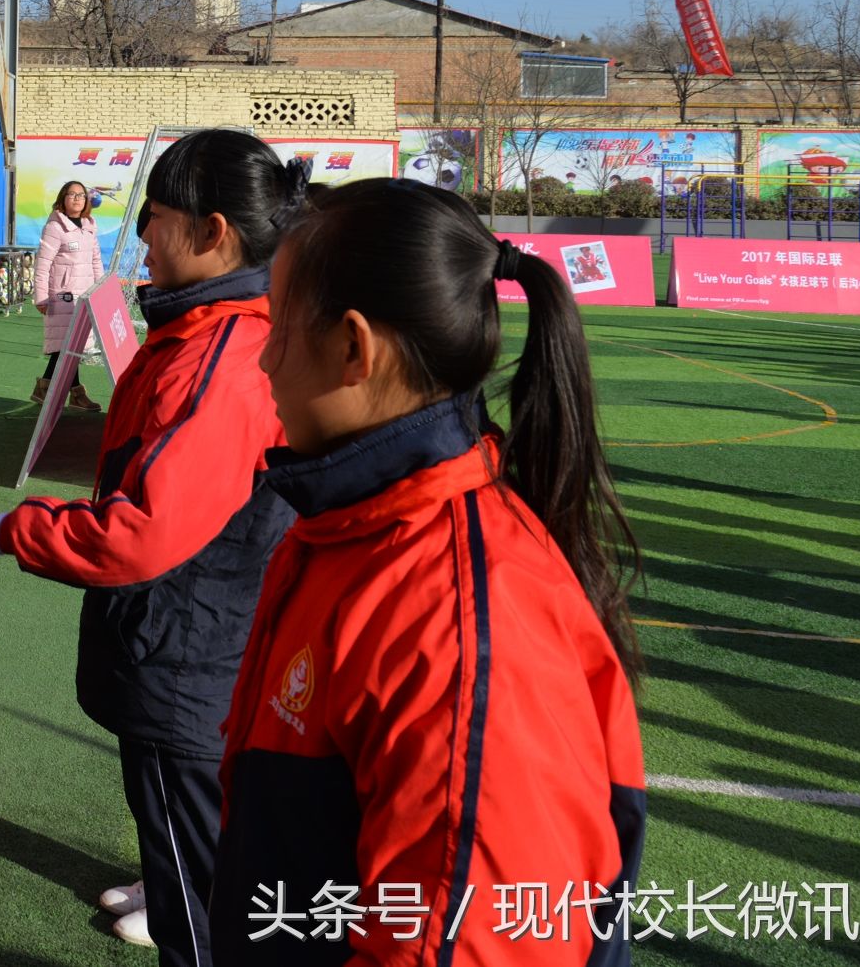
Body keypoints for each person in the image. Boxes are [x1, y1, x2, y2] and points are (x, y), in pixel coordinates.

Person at [208, 180, 645, 963]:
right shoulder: (350, 524)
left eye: (274, 328)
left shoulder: (453, 618)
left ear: (353, 347)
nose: (264, 359)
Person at [0, 131, 308, 965]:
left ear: (211, 231)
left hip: (192, 638)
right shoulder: (211, 324)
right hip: (184, 632)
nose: (141, 232)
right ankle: (169, 871)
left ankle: (188, 890)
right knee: (174, 802)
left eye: (156, 215)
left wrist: (6, 531)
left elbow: (143, 531)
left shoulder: (223, 350)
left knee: (196, 868)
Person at [32, 180, 105, 414]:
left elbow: (96, 262)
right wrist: (41, 297)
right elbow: (42, 265)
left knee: (73, 347)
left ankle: (56, 390)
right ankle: (65, 392)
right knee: (65, 346)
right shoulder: (55, 227)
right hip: (61, 297)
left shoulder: (89, 226)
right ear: (63, 198)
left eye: (81, 195)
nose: (77, 198)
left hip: (83, 298)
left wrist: (100, 291)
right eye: (72, 194)